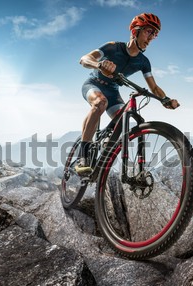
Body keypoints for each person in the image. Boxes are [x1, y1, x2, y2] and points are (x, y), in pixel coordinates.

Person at [76, 12, 180, 175]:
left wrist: (165, 99)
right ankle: (83, 155)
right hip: (94, 84)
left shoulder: (143, 62)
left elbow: (154, 87)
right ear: (135, 31)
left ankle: (104, 150)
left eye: (154, 34)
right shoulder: (113, 47)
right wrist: (99, 65)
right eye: (148, 31)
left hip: (113, 91)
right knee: (100, 103)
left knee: (123, 121)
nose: (151, 37)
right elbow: (84, 59)